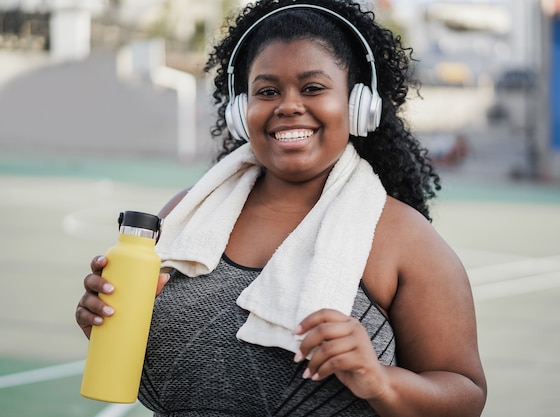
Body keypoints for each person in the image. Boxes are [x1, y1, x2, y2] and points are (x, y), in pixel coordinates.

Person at [75, 0, 487, 415]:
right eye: (267, 91)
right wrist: (106, 319)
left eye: (313, 88)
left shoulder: (402, 237)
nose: (288, 106)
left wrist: (379, 381)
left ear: (359, 104)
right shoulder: (185, 214)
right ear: (241, 110)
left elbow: (465, 397)